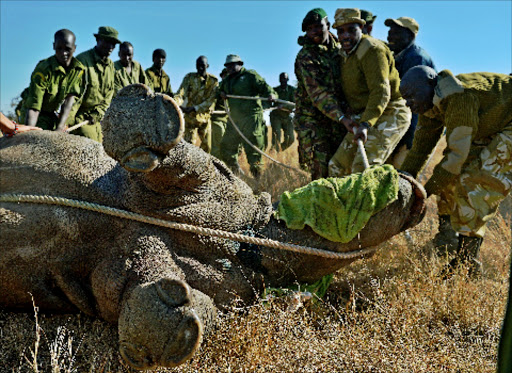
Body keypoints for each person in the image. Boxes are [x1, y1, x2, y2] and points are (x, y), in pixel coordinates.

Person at [399, 66, 512, 276]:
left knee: (476, 181)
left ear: (430, 84)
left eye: (411, 95)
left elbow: (457, 156)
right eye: (404, 98)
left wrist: (424, 191)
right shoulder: (430, 106)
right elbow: (420, 150)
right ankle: (447, 239)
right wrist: (404, 181)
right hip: (489, 126)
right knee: (450, 179)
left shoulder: (459, 96)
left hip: (508, 123)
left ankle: (467, 260)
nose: (408, 103)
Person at [328, 8, 411, 177]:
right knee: (336, 166)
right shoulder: (343, 53)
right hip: (365, 113)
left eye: (352, 30)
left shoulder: (372, 50)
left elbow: (381, 92)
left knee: (364, 168)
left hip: (391, 111)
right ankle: (340, 203)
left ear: (361, 28)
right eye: (341, 31)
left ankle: (372, 203)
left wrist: (365, 125)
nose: (345, 36)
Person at [294, 8, 347, 180]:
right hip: (313, 120)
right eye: (310, 29)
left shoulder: (341, 49)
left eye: (318, 26)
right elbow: (317, 93)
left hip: (337, 118)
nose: (314, 32)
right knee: (320, 169)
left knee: (341, 167)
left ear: (328, 25)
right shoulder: (305, 57)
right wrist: (342, 117)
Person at [385, 16, 437, 168]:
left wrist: (411, 136)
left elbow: (416, 102)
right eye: (389, 31)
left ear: (410, 36)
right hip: (403, 126)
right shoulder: (398, 55)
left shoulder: (416, 59)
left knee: (402, 174)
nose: (390, 35)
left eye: (396, 32)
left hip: (414, 130)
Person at [218, 54, 276, 177]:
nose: (230, 68)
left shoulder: (250, 76)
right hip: (234, 119)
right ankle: (237, 174)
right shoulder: (227, 80)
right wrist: (221, 93)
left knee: (254, 151)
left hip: (251, 118)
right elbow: (218, 90)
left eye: (233, 64)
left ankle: (257, 180)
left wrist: (271, 95)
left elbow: (266, 88)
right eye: (228, 65)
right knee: (226, 147)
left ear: (240, 64)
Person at [23, 29, 85, 131]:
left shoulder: (78, 70)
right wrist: (29, 132)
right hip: (33, 114)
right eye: (59, 48)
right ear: (53, 46)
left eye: (68, 49)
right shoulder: (43, 69)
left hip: (53, 114)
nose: (63, 53)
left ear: (74, 48)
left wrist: (60, 127)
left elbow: (69, 100)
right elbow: (34, 106)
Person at [72, 26, 120, 142]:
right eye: (108, 42)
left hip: (99, 119)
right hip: (80, 120)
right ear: (98, 40)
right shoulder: (82, 61)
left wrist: (97, 114)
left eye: (113, 44)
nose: (111, 47)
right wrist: (66, 122)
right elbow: (72, 97)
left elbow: (109, 94)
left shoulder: (111, 66)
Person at [174, 56, 218, 153]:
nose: (200, 68)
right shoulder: (189, 78)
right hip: (190, 120)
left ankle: (203, 166)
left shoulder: (213, 81)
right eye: (198, 66)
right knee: (188, 149)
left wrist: (195, 108)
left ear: (207, 66)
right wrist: (175, 104)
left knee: (207, 147)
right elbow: (181, 93)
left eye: (202, 66)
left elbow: (210, 101)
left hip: (205, 119)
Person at [269, 72, 296, 151]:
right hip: (276, 116)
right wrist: (270, 100)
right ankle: (274, 152)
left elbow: (294, 104)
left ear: (287, 79)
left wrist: (284, 106)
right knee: (276, 137)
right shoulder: (274, 90)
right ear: (279, 80)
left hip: (287, 117)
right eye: (281, 79)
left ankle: (279, 150)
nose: (283, 81)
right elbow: (269, 102)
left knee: (290, 138)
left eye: (285, 79)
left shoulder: (292, 90)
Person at [210, 68, 228, 159]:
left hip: (231, 121)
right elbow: (212, 100)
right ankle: (215, 166)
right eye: (225, 75)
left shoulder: (235, 88)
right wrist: (211, 108)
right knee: (218, 143)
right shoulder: (217, 88)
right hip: (218, 119)